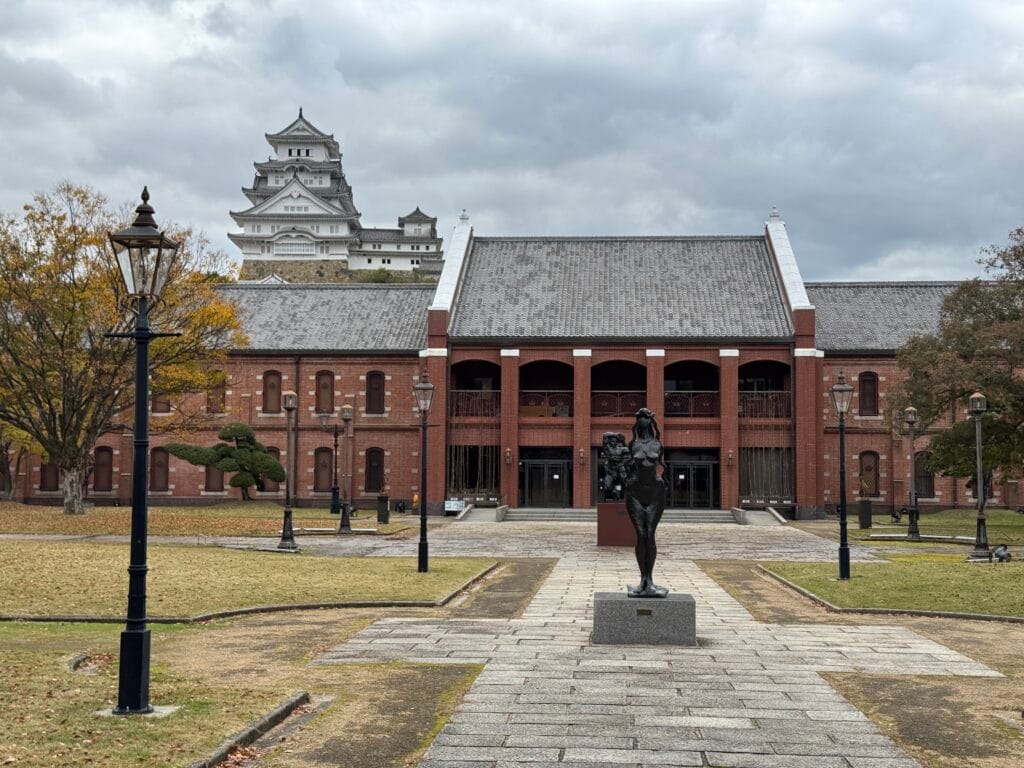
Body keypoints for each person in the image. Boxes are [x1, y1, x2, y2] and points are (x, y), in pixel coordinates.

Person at [624, 408, 669, 597]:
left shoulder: (658, 444)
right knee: (640, 535)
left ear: (651, 422)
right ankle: (643, 579)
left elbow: (662, 468)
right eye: (640, 417)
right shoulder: (631, 445)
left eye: (646, 417)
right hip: (634, 493)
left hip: (656, 494)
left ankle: (649, 580)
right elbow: (621, 466)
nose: (643, 420)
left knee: (650, 534)